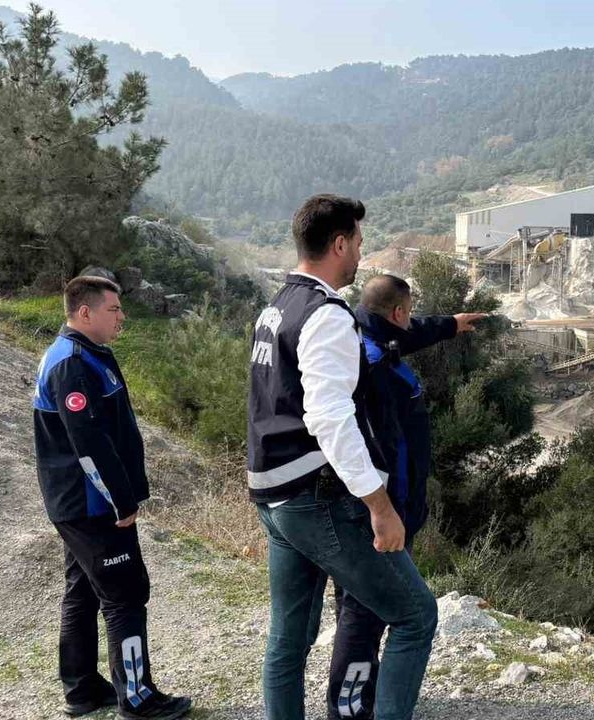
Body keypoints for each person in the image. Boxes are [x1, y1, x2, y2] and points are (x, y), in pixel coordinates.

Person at [247, 195, 437, 720]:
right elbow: (330, 418)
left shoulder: (278, 305)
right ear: (337, 244)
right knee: (415, 616)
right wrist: (379, 505)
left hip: (274, 494)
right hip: (317, 498)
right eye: (356, 242)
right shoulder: (326, 315)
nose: (359, 252)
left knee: (290, 636)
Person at [326, 275, 486, 719]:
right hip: (384, 509)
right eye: (408, 312)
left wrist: (449, 325)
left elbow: (407, 335)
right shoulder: (375, 365)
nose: (411, 320)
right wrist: (389, 510)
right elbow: (379, 446)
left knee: (360, 603)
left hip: (379, 504)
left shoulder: (362, 333)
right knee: (367, 608)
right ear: (397, 313)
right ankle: (350, 707)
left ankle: (365, 689)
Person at [33, 275, 192, 720]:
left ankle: (82, 691)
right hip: (92, 504)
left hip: (80, 503)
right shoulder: (71, 363)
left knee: (82, 591)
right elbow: (88, 443)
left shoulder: (87, 354)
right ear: (85, 312)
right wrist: (121, 501)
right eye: (114, 309)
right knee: (125, 594)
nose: (122, 316)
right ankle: (137, 698)